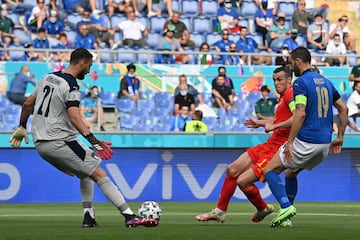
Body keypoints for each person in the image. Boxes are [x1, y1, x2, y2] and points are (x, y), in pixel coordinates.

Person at [8, 48, 158, 228]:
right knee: (98, 172)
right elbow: (74, 117)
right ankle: (128, 216)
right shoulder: (71, 85)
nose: (89, 70)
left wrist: (22, 126)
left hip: (41, 143)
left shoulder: (47, 77)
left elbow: (27, 104)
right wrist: (95, 142)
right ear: (82, 62)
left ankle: (89, 217)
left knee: (85, 172)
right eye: (89, 65)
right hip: (60, 140)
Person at [196, 66, 294, 226]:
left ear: (289, 80)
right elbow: (280, 122)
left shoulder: (290, 95)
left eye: (280, 79)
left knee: (243, 181)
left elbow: (298, 118)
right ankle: (220, 211)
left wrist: (274, 127)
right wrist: (261, 122)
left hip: (277, 150)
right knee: (232, 169)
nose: (276, 83)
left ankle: (264, 208)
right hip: (268, 144)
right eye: (274, 80)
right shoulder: (283, 97)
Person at [263, 47, 348, 227]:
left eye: (291, 61)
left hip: (306, 141)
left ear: (298, 61)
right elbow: (344, 109)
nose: (290, 65)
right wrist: (340, 136)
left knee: (269, 171)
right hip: (324, 145)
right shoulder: (326, 81)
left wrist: (290, 142)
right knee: (291, 173)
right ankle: (287, 217)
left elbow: (299, 113)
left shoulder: (300, 83)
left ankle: (285, 206)